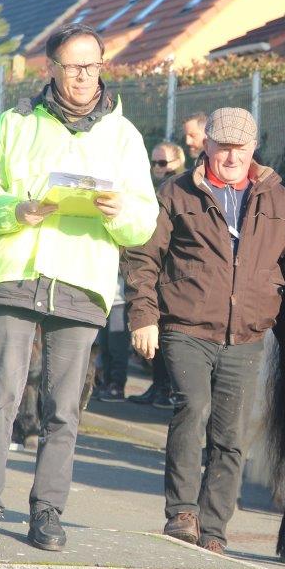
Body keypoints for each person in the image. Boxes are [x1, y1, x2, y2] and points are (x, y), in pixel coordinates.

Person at [122, 107, 285, 554]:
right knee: (192, 411)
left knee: (230, 437)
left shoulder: (275, 196)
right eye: (223, 146)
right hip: (187, 326)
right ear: (206, 146)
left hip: (248, 334)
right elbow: (143, 258)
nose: (231, 156)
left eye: (240, 147)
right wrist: (144, 317)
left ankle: (213, 528)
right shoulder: (176, 193)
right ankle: (182, 513)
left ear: (253, 149)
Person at [0, 23, 158, 550]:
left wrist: (119, 212)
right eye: (73, 65)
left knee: (63, 408)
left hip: (81, 282)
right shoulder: (14, 125)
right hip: (15, 275)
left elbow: (144, 223)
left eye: (93, 64)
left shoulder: (125, 136)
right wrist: (17, 210)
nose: (85, 75)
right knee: (2, 395)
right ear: (52, 69)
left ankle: (47, 511)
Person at [127, 141, 186, 408]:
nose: (157, 168)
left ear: (178, 162)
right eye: (154, 163)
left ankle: (165, 390)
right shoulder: (160, 189)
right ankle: (158, 387)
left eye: (163, 163)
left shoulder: (180, 188)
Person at [95, 275, 130, 402]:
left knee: (117, 347)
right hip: (104, 302)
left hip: (119, 303)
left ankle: (117, 386)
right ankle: (107, 381)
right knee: (104, 346)